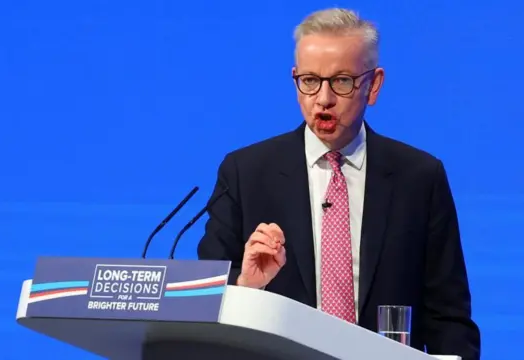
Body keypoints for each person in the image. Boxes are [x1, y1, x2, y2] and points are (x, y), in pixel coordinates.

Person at [197, 7, 481, 360]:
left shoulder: (419, 177)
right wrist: (246, 287)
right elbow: (204, 298)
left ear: (373, 85)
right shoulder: (245, 172)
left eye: (342, 81)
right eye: (310, 81)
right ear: (295, 80)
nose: (323, 99)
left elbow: (448, 317)